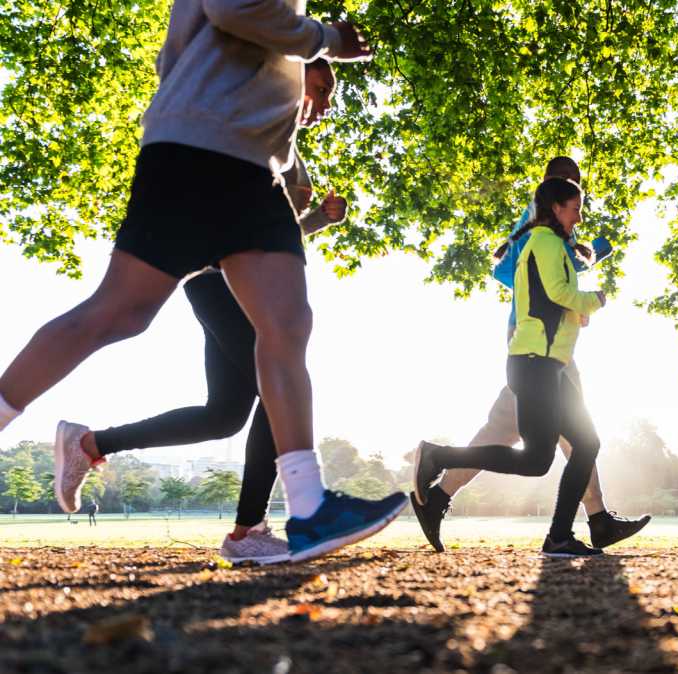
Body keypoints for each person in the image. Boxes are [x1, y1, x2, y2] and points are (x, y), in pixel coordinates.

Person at [0, 0, 405, 563]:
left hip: (250, 162)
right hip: (203, 148)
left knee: (285, 326)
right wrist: (322, 40)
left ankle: (310, 509)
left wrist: (305, 62)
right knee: (120, 311)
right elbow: (234, 8)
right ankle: (256, 525)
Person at [54, 60, 348, 565]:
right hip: (215, 277)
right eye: (319, 90)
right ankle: (247, 530)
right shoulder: (253, 124)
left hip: (230, 280)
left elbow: (272, 237)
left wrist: (318, 217)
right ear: (291, 77)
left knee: (225, 415)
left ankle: (90, 443)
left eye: (328, 98)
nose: (323, 106)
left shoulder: (287, 152)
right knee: (274, 384)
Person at [410, 156, 650, 553]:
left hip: (547, 345)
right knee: (563, 439)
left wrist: (581, 271)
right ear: (554, 194)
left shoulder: (555, 234)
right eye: (570, 192)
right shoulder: (539, 227)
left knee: (519, 429)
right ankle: (593, 520)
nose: (578, 207)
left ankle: (439, 495)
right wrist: (571, 294)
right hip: (534, 343)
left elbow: (556, 277)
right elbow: (511, 272)